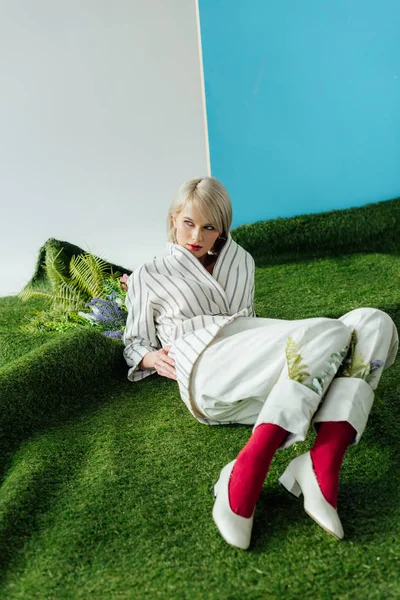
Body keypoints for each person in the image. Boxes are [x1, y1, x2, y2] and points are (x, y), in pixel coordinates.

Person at [122, 176, 399, 550]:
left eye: (209, 227)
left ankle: (322, 463)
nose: (197, 236)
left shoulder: (242, 262)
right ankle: (249, 468)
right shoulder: (148, 275)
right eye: (188, 223)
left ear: (222, 229)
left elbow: (252, 324)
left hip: (259, 369)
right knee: (328, 332)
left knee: (375, 322)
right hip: (206, 369)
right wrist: (150, 357)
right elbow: (134, 341)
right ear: (174, 218)